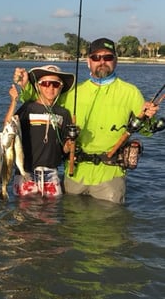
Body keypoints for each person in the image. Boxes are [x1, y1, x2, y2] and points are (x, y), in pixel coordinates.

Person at [16, 38, 159, 204]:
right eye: (96, 58)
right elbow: (43, 100)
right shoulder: (74, 92)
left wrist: (148, 117)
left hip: (110, 176)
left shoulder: (131, 92)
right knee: (70, 225)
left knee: (109, 225)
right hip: (75, 173)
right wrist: (25, 86)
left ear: (116, 61)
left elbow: (146, 130)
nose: (102, 62)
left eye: (108, 57)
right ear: (88, 62)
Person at [10, 65, 74, 198]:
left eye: (55, 84)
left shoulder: (64, 114)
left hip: (52, 173)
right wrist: (13, 101)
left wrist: (70, 144)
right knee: (25, 215)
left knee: (51, 216)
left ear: (61, 87)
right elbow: (7, 128)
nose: (50, 88)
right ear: (38, 86)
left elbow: (65, 149)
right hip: (25, 172)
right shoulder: (28, 108)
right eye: (45, 83)